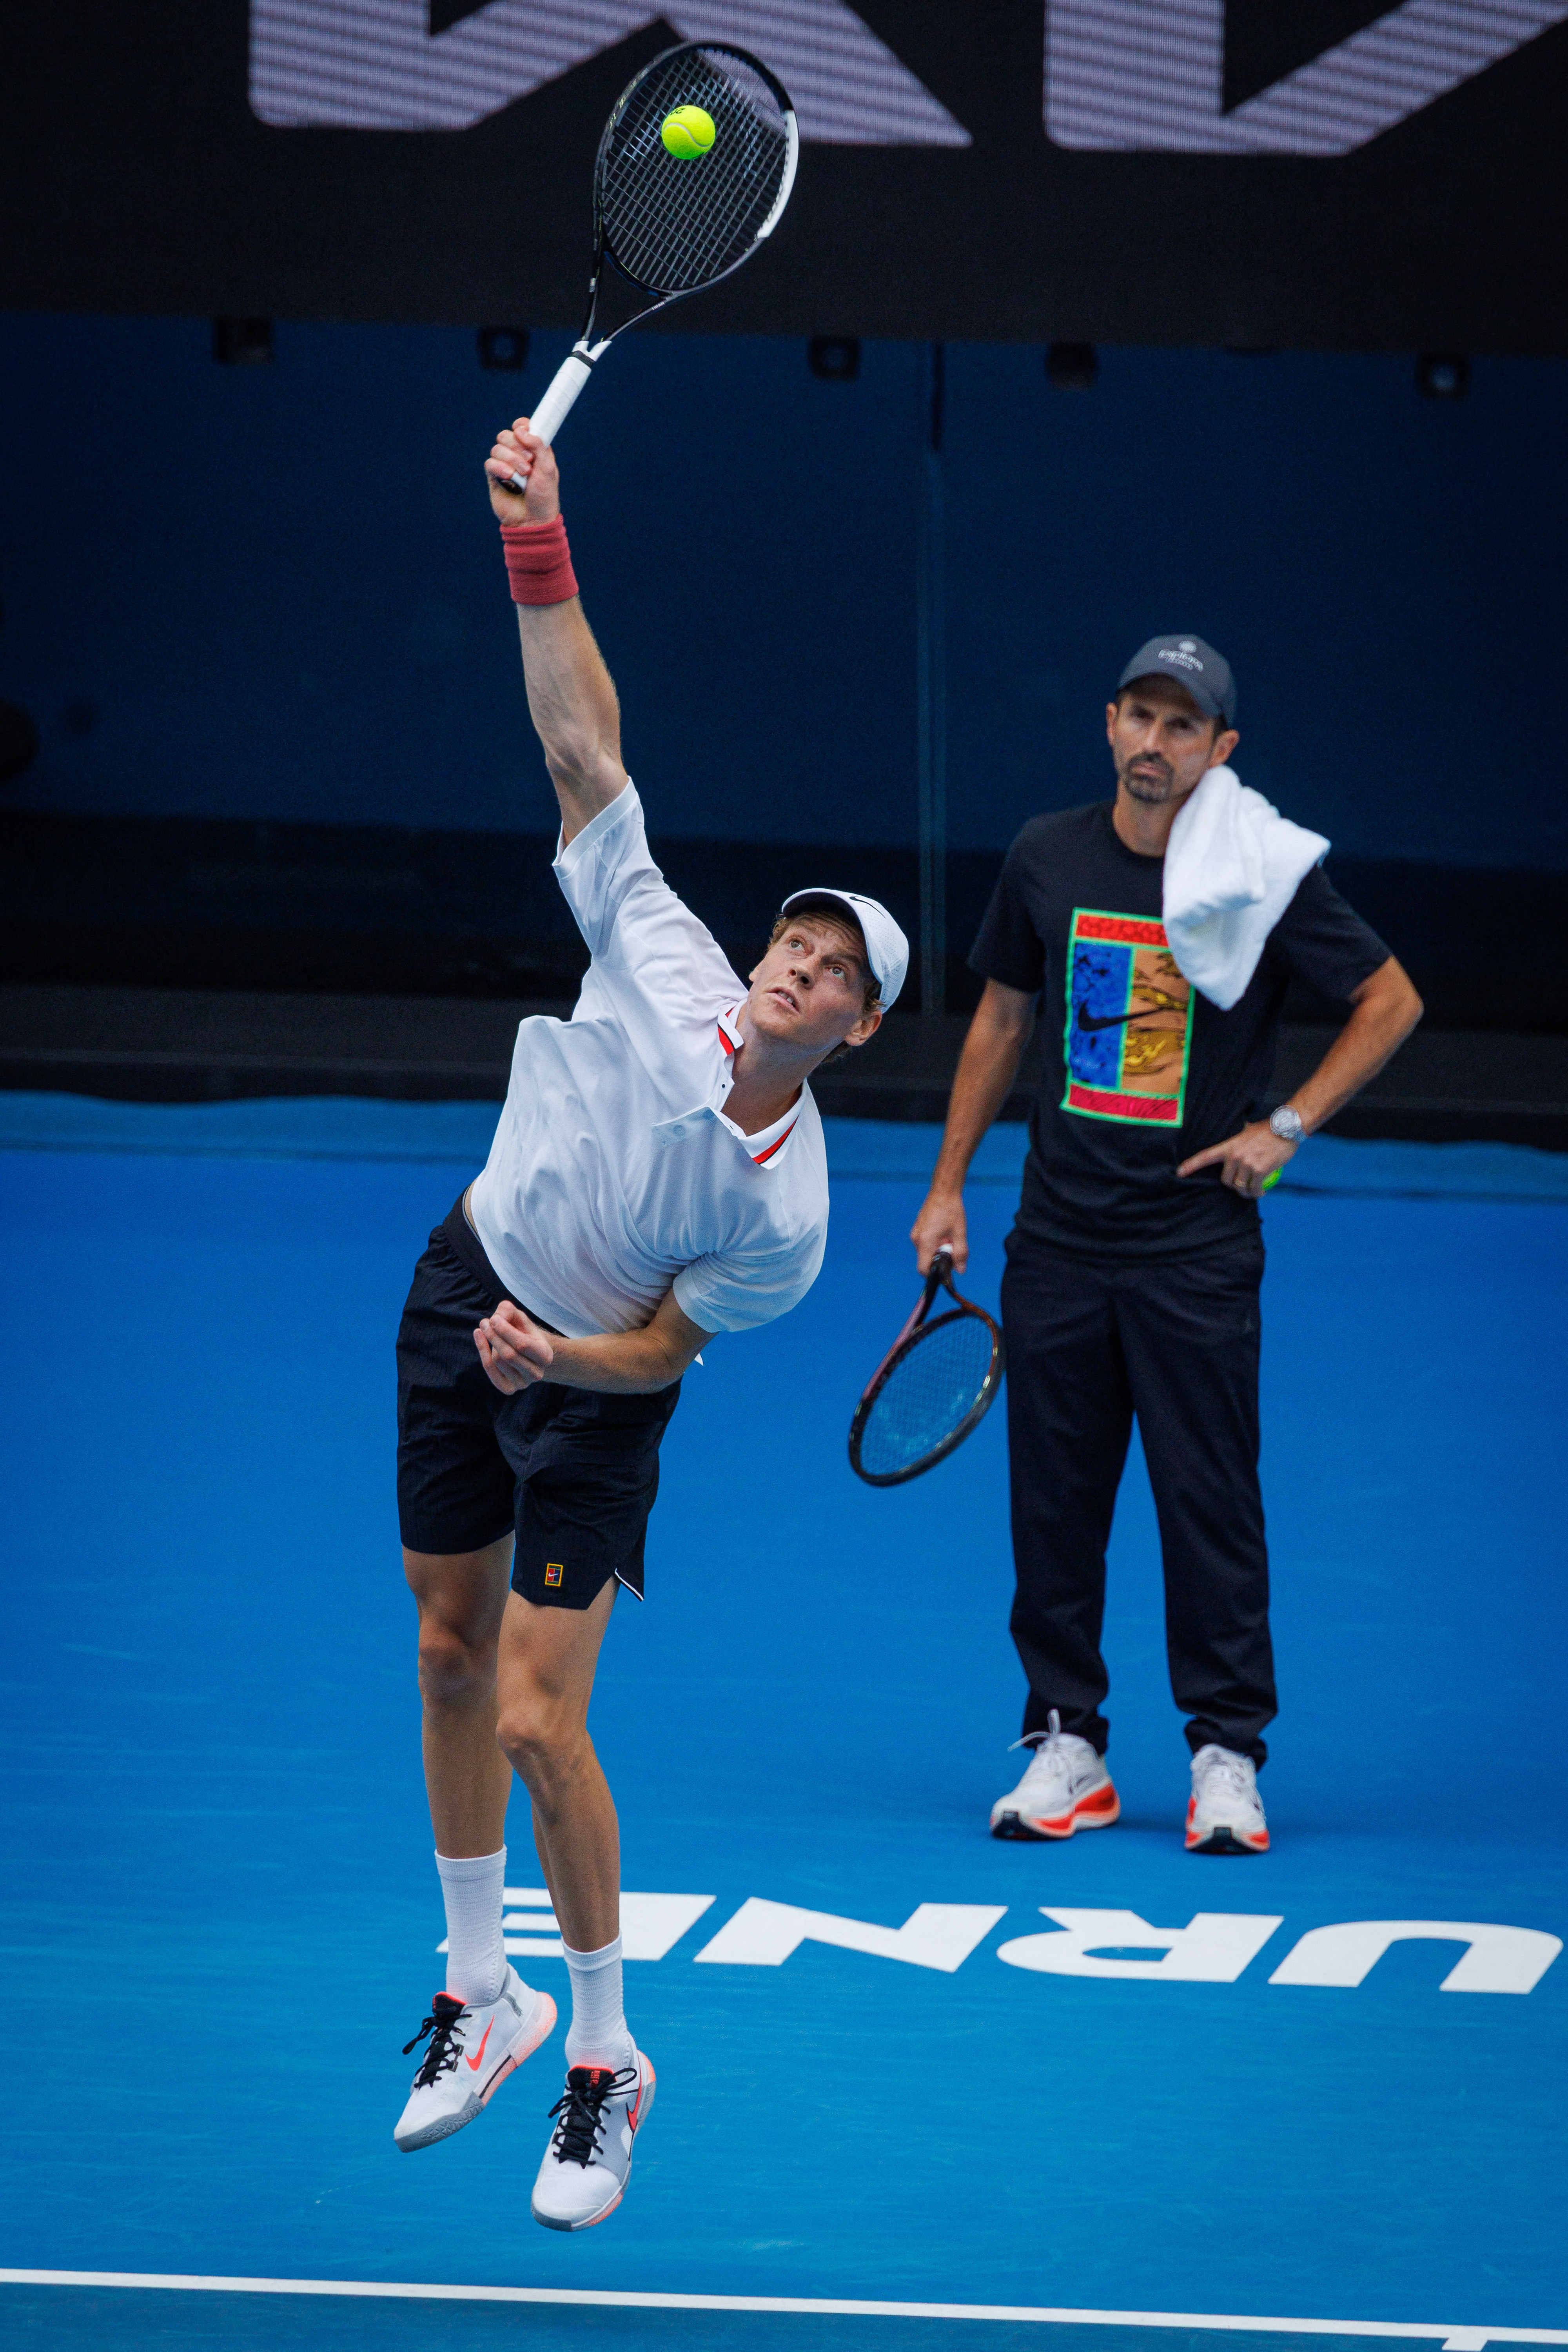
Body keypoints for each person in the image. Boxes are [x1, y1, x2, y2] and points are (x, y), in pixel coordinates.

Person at [393, 416, 908, 2229]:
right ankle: (483, 1989)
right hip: (467, 1280)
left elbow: (668, 1360)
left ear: (852, 1031)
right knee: (447, 1654)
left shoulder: (785, 1217)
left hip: (596, 1378)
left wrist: (564, 1364)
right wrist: (541, 545)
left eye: (838, 972)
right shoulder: (669, 951)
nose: (800, 961)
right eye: (800, 938)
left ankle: (606, 2051)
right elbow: (579, 744)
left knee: (541, 1722)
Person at [911, 635, 1421, 1855]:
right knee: (1057, 1505)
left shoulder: (1260, 874)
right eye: (1139, 716)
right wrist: (946, 1189)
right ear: (1109, 724)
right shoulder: (1048, 854)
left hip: (1195, 1252)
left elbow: (1391, 1000)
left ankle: (1227, 1756)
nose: (1155, 742)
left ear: (1220, 750)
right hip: (1059, 1246)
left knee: (1209, 1504)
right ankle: (1066, 1744)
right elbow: (1001, 1016)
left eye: (1182, 726)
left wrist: (1285, 1128)